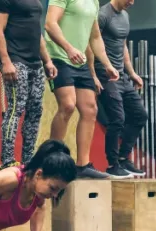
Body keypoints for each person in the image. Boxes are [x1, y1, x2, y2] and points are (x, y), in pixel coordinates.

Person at [44, 0, 120, 179]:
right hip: (59, 57)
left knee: (90, 109)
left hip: (80, 61)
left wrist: (107, 64)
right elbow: (49, 24)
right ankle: (52, 162)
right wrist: (69, 48)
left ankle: (82, 165)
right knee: (68, 105)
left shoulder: (93, 2)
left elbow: (95, 37)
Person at [0, 0, 59, 170]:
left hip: (35, 61)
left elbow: (38, 33)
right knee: (16, 108)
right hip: (15, 59)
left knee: (35, 110)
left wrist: (48, 61)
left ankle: (28, 160)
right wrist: (6, 61)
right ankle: (7, 160)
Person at [90, 0, 146, 178]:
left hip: (121, 76)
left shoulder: (125, 16)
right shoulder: (103, 14)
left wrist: (132, 73)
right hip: (105, 74)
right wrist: (93, 75)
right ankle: (113, 164)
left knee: (139, 115)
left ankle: (123, 158)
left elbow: (123, 47)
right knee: (117, 118)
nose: (132, 2)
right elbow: (90, 43)